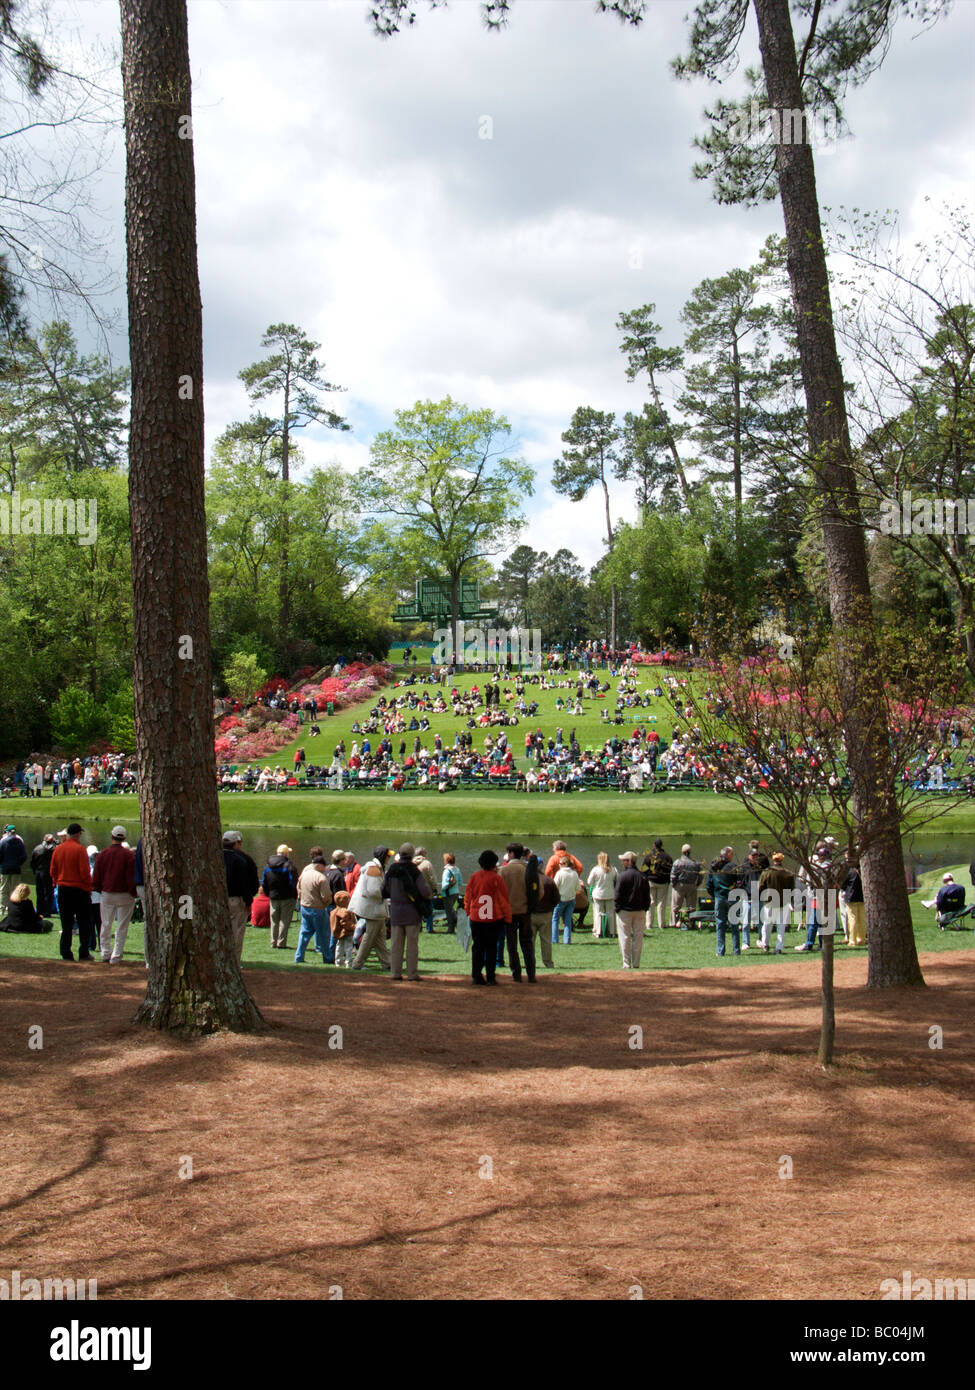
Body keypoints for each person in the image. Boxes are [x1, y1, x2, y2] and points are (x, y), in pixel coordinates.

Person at [383, 842, 431, 981]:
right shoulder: (414, 870)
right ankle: (412, 974)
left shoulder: (392, 869)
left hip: (396, 912)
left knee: (396, 945)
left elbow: (384, 890)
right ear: (412, 855)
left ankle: (395, 973)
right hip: (412, 913)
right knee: (412, 945)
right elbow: (425, 891)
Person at [464, 848, 512, 985]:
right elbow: (504, 900)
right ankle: (490, 977)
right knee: (491, 948)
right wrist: (508, 918)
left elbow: (468, 896)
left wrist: (468, 910)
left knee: (477, 947)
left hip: (476, 917)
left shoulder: (474, 877)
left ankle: (476, 975)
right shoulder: (497, 879)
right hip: (493, 918)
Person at [92, 825, 137, 963]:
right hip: (125, 894)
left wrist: (101, 889)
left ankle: (105, 952)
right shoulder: (129, 855)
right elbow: (131, 877)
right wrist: (132, 892)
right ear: (124, 838)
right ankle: (116, 956)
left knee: (105, 924)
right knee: (122, 926)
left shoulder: (102, 854)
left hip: (107, 893)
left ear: (112, 836)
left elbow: (96, 877)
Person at [50, 822, 93, 962]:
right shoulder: (80, 850)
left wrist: (57, 882)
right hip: (79, 889)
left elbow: (53, 871)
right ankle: (84, 952)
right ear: (78, 834)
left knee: (66, 923)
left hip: (63, 889)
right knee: (84, 922)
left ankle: (65, 951)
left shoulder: (58, 849)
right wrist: (88, 887)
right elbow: (85, 873)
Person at [348, 847, 393, 971]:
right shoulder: (374, 869)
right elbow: (374, 891)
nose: (389, 858)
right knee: (369, 938)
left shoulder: (375, 868)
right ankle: (357, 963)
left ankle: (387, 964)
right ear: (383, 856)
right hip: (372, 910)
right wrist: (389, 892)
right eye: (388, 856)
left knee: (379, 939)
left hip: (375, 909)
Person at [499, 842, 535, 982]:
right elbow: (539, 891)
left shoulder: (504, 871)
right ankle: (531, 974)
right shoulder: (528, 870)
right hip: (525, 911)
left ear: (511, 853)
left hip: (509, 912)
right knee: (527, 943)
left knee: (512, 944)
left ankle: (516, 974)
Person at [294, 847, 334, 964]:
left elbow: (299, 889)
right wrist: (325, 904)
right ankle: (327, 958)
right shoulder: (321, 878)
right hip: (318, 909)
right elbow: (325, 896)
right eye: (324, 866)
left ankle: (299, 956)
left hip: (304, 907)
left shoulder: (304, 874)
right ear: (319, 865)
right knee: (324, 934)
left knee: (304, 933)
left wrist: (302, 900)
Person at [224, 830, 259, 960]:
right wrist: (249, 901)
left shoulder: (213, 857)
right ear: (237, 843)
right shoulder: (241, 860)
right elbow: (246, 884)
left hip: (217, 899)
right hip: (236, 900)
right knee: (235, 934)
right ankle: (233, 963)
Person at [614, 851, 650, 968]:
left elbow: (617, 894)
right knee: (638, 938)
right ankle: (636, 963)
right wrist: (645, 908)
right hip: (639, 910)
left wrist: (617, 908)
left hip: (625, 911)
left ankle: (626, 963)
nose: (622, 862)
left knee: (624, 937)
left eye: (624, 860)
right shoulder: (642, 876)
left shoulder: (622, 876)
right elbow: (647, 895)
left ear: (629, 862)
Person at [262, 844, 299, 950]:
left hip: (273, 896)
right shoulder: (288, 865)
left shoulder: (268, 865)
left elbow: (264, 882)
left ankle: (273, 942)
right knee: (284, 921)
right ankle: (281, 943)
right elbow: (293, 882)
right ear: (286, 854)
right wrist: (294, 894)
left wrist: (267, 893)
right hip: (287, 897)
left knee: (274, 920)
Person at [758, 853, 795, 953]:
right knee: (781, 926)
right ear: (781, 861)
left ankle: (765, 944)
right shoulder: (788, 873)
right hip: (783, 902)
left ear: (773, 860)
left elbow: (761, 886)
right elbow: (792, 889)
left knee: (767, 924)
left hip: (769, 901)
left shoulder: (767, 872)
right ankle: (779, 947)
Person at [708, 847, 741, 958]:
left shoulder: (713, 867)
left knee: (720, 924)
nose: (733, 855)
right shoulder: (732, 867)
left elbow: (709, 884)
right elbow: (739, 881)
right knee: (734, 925)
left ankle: (720, 950)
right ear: (728, 854)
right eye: (732, 853)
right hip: (731, 897)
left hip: (719, 897)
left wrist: (715, 894)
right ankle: (736, 950)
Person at [525, 852, 556, 968]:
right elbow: (556, 898)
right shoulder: (548, 880)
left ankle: (530, 963)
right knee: (546, 941)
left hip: (531, 914)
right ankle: (548, 963)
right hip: (546, 914)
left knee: (529, 941)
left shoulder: (527, 880)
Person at [642, 839, 672, 932]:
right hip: (663, 882)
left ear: (654, 845)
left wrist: (646, 878)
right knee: (661, 903)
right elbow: (670, 869)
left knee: (651, 902)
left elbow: (643, 869)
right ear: (661, 845)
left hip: (651, 881)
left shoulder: (649, 856)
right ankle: (661, 924)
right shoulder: (667, 856)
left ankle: (649, 924)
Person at [670, 844, 701, 928]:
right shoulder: (695, 863)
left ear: (682, 852)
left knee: (676, 905)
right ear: (690, 852)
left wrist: (673, 884)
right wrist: (697, 884)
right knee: (691, 906)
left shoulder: (677, 862)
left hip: (680, 885)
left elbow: (673, 875)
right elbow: (700, 875)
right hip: (691, 885)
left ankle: (674, 923)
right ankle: (692, 923)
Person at [552, 855, 581, 946]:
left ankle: (554, 939)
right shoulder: (574, 873)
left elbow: (555, 886)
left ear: (564, 863)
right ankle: (567, 940)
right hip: (571, 899)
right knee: (568, 920)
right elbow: (578, 888)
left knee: (555, 919)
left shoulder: (560, 873)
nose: (559, 865)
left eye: (560, 863)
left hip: (560, 899)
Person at [587, 852, 617, 938]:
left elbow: (589, 882)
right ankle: (612, 932)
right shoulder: (613, 869)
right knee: (611, 913)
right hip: (610, 894)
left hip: (598, 894)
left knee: (598, 913)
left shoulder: (595, 870)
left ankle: (598, 932)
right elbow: (616, 880)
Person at [0, 823, 27, 917]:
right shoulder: (19, 842)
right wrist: (18, 864)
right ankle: (13, 908)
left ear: (7, 832)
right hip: (16, 868)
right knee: (15, 889)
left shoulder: (3, 842)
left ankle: (2, 908)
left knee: (4, 889)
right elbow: (24, 856)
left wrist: (2, 865)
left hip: (5, 868)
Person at [841, 854, 866, 947]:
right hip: (862, 897)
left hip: (851, 897)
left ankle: (852, 940)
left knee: (853, 919)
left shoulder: (849, 871)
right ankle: (862, 939)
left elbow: (843, 883)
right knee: (862, 919)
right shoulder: (863, 869)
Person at [30, 832, 57, 916]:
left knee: (39, 891)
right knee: (48, 892)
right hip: (48, 872)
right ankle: (47, 911)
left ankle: (39, 910)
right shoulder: (53, 849)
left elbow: (32, 862)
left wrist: (35, 870)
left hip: (38, 872)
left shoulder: (37, 848)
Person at [413, 846, 438, 934]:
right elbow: (431, 878)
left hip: (416, 891)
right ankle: (429, 928)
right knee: (429, 910)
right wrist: (435, 888)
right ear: (423, 854)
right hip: (426, 891)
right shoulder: (427, 863)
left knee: (417, 910)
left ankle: (418, 927)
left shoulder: (412, 864)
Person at [330, 889, 358, 967]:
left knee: (339, 947)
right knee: (348, 948)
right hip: (346, 932)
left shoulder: (334, 911)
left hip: (338, 933)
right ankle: (349, 962)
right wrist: (354, 927)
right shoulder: (344, 912)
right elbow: (345, 923)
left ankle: (338, 962)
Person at [441, 852, 463, 934]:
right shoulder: (457, 869)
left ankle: (450, 929)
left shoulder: (447, 871)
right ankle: (458, 925)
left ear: (446, 861)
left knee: (449, 912)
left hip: (448, 894)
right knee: (452, 910)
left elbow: (444, 885)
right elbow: (460, 882)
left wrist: (442, 890)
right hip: (456, 892)